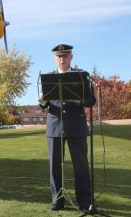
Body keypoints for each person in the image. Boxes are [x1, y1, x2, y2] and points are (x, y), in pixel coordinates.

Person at [39, 44, 96, 212]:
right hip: (55, 125)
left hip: (76, 126)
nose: (62, 59)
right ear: (54, 58)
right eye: (59, 56)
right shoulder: (49, 78)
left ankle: (85, 202)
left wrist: (79, 101)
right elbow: (45, 103)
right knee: (55, 166)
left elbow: (91, 101)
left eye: (65, 56)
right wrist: (41, 101)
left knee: (81, 165)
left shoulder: (81, 76)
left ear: (71, 57)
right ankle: (57, 201)